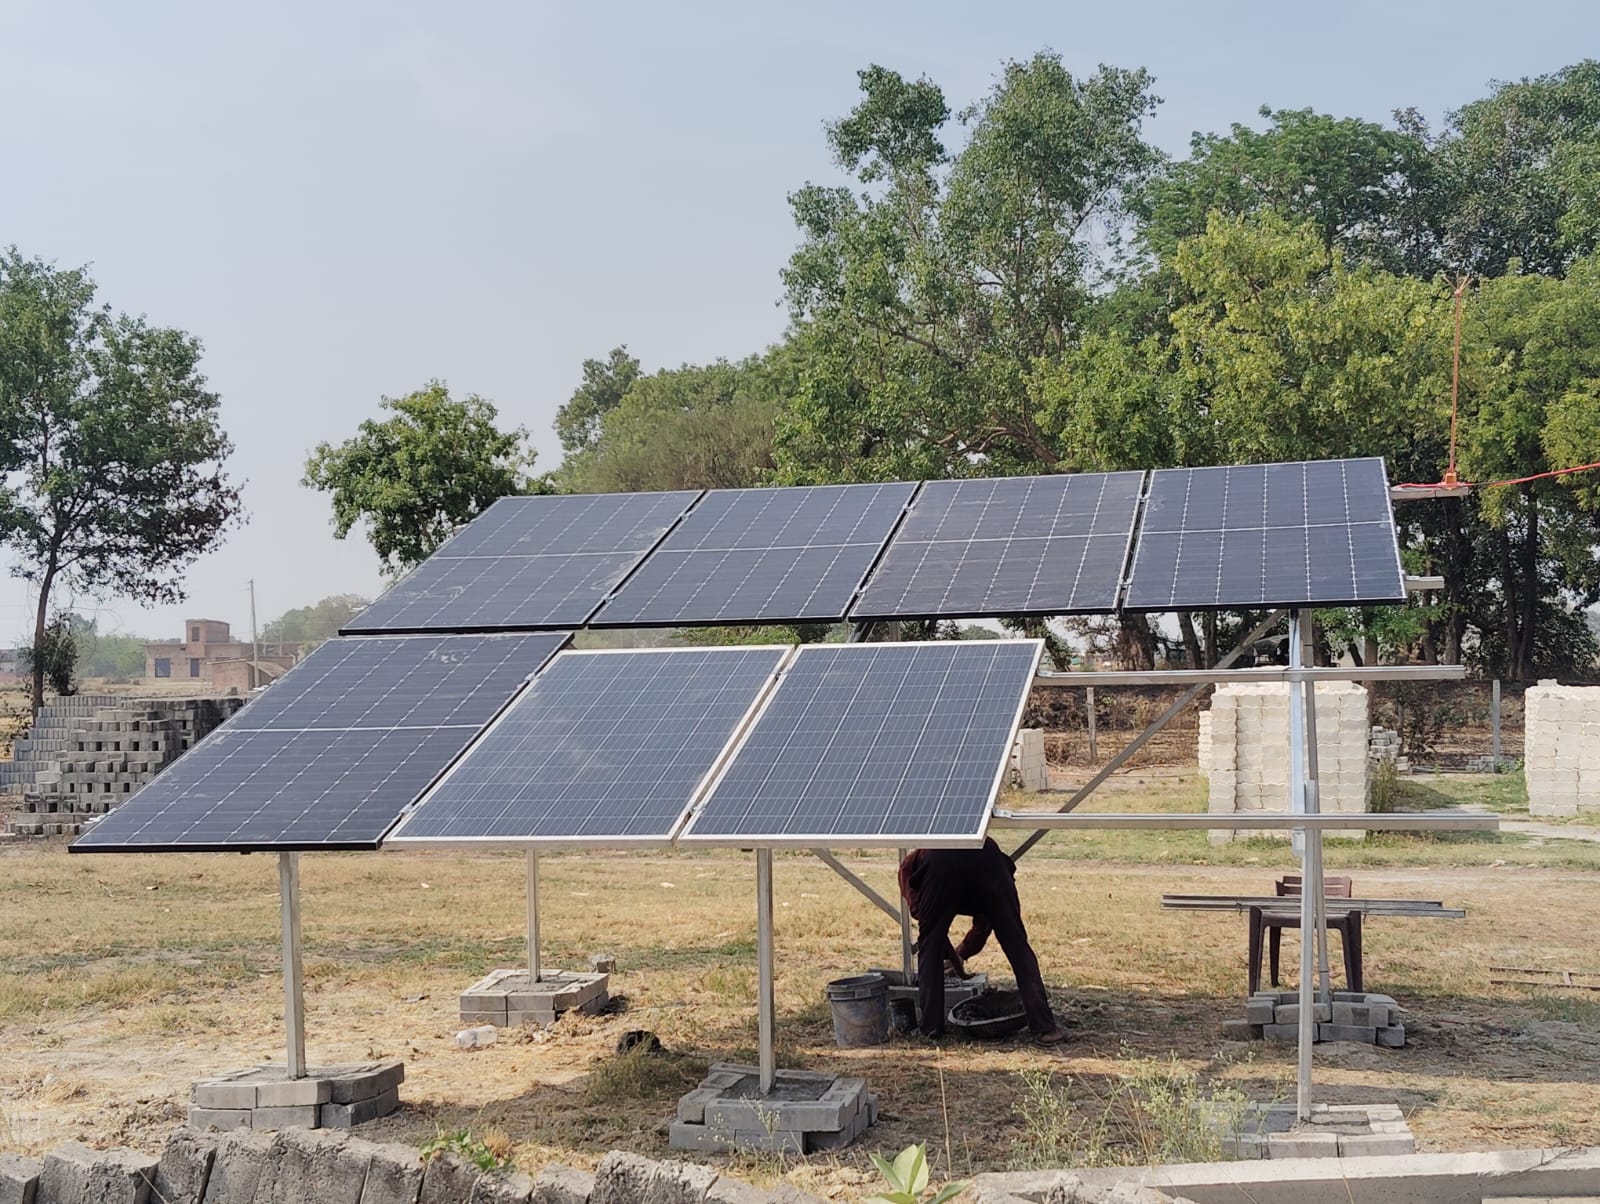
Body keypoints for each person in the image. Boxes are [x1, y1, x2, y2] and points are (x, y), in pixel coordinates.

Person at [898, 838, 1067, 1044]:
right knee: (1017, 945)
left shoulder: (910, 866)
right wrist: (958, 956)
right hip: (988, 859)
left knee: (929, 947)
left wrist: (959, 954)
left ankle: (932, 1029)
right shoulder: (921, 861)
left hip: (943, 863)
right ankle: (1045, 1028)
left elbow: (930, 928)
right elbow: (986, 922)